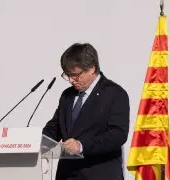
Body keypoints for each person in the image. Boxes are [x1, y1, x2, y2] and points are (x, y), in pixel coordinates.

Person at [43, 42, 130, 180]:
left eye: (75, 75)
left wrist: (81, 146)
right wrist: (34, 141)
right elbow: (56, 127)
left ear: (92, 68)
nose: (71, 80)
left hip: (99, 174)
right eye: (67, 75)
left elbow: (118, 135)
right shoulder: (67, 95)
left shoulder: (115, 94)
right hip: (67, 175)